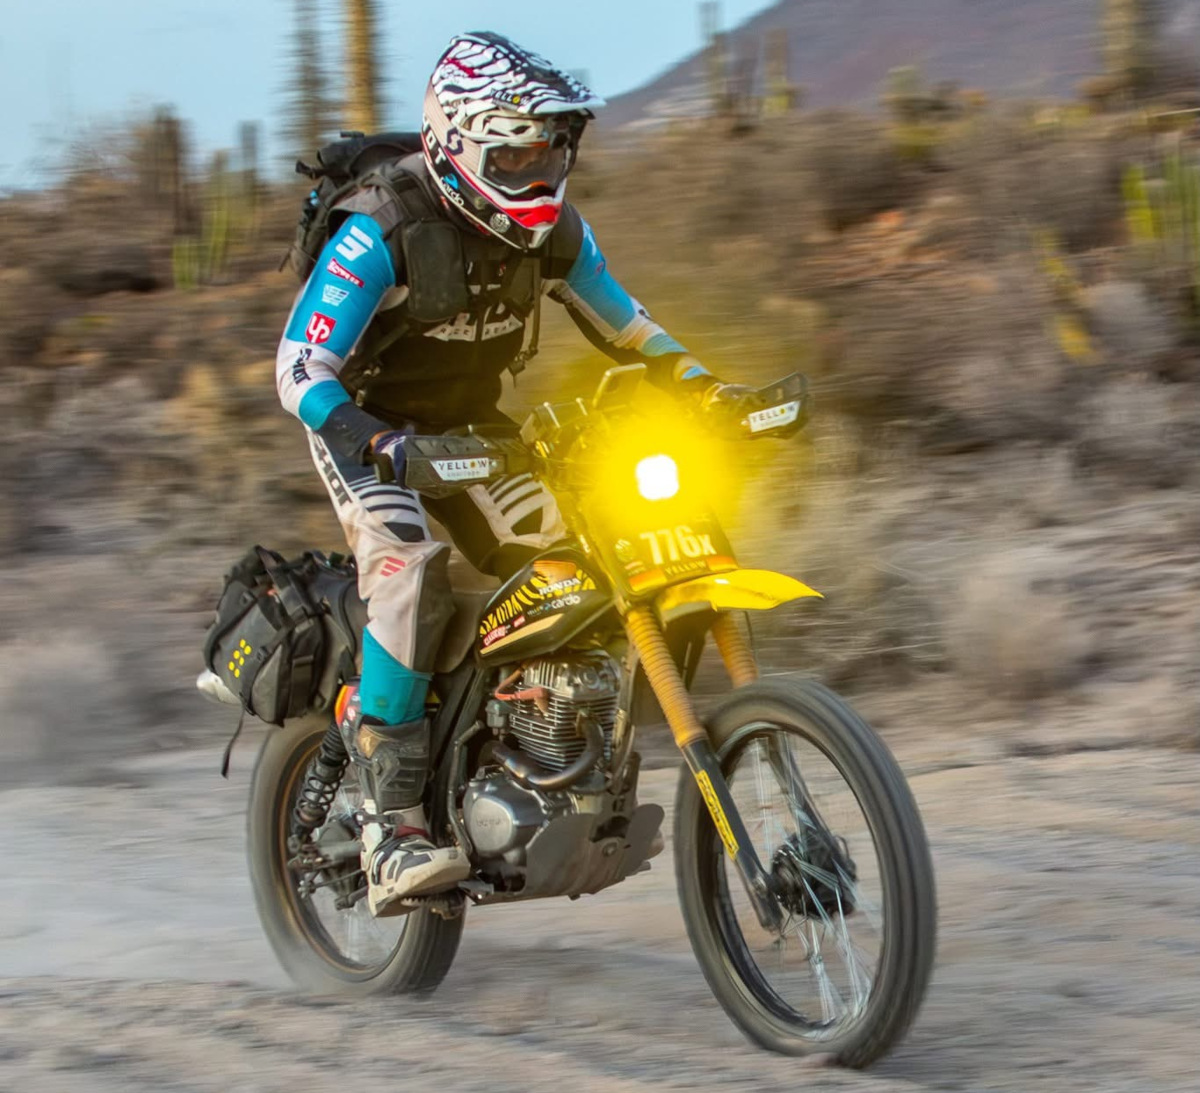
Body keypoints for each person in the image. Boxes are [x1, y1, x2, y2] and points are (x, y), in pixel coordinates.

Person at [274, 31, 755, 916]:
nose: (538, 175)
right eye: (516, 156)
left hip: (474, 429)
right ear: (458, 146)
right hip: (369, 428)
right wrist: (371, 440)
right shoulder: (381, 228)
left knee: (567, 575)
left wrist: (709, 389)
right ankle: (390, 827)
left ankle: (524, 756)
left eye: (550, 154)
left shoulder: (556, 234)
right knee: (410, 573)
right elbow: (300, 364)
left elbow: (630, 328)